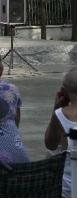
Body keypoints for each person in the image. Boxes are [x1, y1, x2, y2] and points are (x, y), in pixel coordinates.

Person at [45, 68, 77, 198]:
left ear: (63, 91)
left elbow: (50, 144)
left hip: (70, 189)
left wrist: (56, 107)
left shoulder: (60, 115)